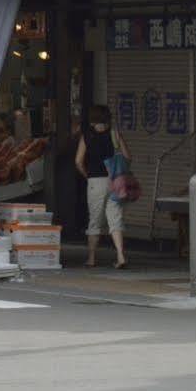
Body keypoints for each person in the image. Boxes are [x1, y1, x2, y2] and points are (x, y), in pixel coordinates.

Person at [75, 104, 129, 269]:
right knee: (115, 218)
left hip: (95, 182)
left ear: (92, 120)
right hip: (114, 181)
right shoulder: (114, 135)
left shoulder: (87, 137)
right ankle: (120, 256)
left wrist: (87, 175)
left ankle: (91, 258)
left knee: (95, 220)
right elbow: (128, 157)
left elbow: (78, 161)